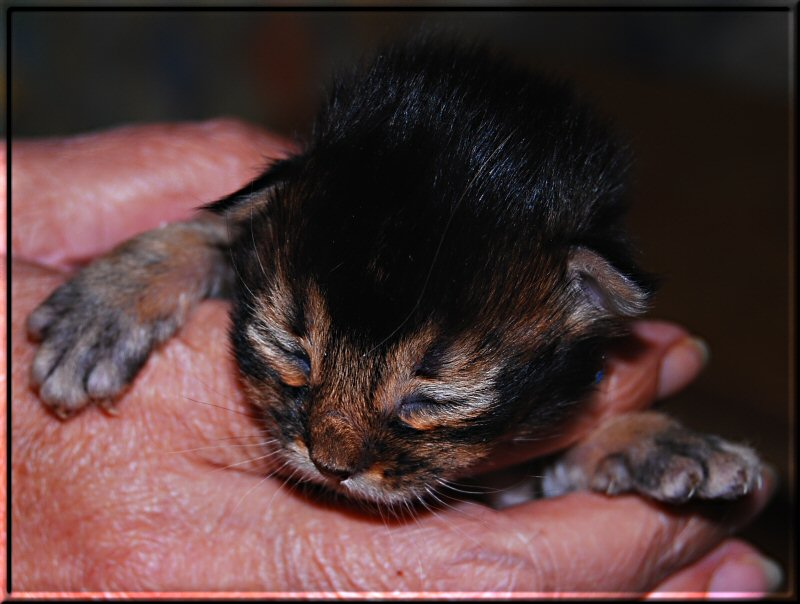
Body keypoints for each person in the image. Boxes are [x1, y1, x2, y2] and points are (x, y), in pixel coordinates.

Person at [8, 120, 782, 594]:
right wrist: (162, 261)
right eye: (295, 359)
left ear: (588, 306)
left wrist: (613, 445)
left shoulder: (546, 325)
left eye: (429, 398)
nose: (332, 449)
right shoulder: (280, 228)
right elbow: (223, 237)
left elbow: (533, 467)